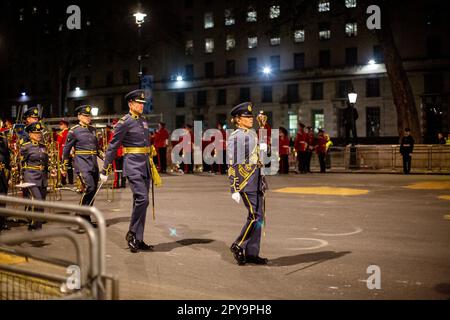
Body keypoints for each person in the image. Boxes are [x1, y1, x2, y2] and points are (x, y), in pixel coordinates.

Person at [100, 89, 155, 253]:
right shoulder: (124, 122)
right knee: (143, 199)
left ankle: (138, 239)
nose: (142, 106)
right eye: (139, 103)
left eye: (143, 103)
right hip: (132, 166)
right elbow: (112, 146)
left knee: (140, 203)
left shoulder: (143, 121)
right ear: (131, 104)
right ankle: (132, 233)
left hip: (144, 165)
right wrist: (104, 169)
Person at [228, 102, 268, 266]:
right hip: (246, 181)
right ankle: (238, 245)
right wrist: (234, 188)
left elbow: (258, 154)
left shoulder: (251, 134)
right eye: (246, 116)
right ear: (237, 119)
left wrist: (263, 128)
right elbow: (232, 163)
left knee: (259, 218)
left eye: (251, 116)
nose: (250, 119)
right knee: (255, 217)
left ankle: (252, 252)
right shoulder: (236, 137)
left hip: (257, 179)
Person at [62, 105, 102, 224]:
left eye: (89, 116)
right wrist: (64, 165)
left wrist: (106, 158)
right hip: (82, 164)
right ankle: (80, 213)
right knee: (90, 187)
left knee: (93, 191)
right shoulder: (74, 131)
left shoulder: (93, 129)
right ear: (79, 116)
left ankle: (86, 217)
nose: (88, 118)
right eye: (85, 115)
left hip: (93, 164)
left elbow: (97, 149)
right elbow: (66, 150)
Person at [20, 122, 50, 230]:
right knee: (37, 200)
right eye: (36, 133)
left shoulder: (43, 146)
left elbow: (46, 162)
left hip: (42, 177)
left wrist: (52, 170)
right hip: (31, 176)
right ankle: (33, 223)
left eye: (39, 133)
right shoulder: (25, 147)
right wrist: (21, 177)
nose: (39, 135)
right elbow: (21, 162)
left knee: (41, 202)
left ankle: (38, 226)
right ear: (30, 134)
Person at [0, 129, 10, 232]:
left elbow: (7, 155)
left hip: (2, 172)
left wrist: (9, 170)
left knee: (3, 196)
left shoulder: (3, 139)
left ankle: (2, 221)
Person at [57, 119, 73, 185]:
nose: (60, 126)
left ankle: (63, 181)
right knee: (69, 167)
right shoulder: (71, 132)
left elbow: (58, 144)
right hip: (70, 152)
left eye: (61, 124)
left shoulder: (61, 134)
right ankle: (71, 181)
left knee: (63, 167)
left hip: (62, 152)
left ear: (64, 125)